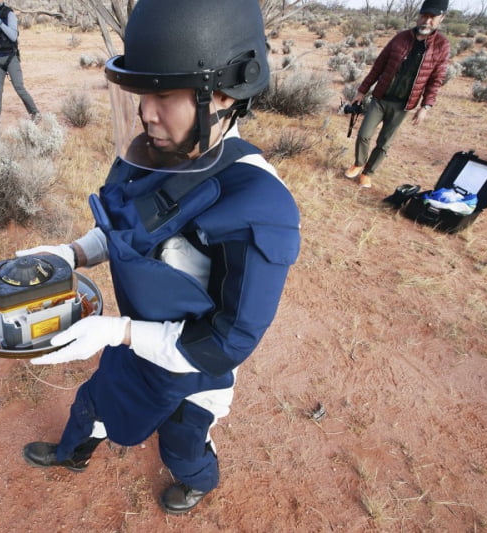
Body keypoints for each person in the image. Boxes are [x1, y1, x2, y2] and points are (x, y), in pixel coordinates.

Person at [15, 0, 300, 515]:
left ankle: (198, 480)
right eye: (141, 93)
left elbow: (225, 342)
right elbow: (124, 229)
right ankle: (72, 452)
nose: (147, 112)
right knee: (95, 401)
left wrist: (118, 331)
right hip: (135, 338)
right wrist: (73, 252)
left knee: (182, 441)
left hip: (192, 368)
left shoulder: (259, 205)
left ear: (222, 94)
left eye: (164, 94)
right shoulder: (154, 150)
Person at [344, 0, 450, 189]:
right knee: (363, 134)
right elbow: (378, 66)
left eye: (433, 17)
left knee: (384, 142)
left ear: (441, 18)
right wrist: (362, 91)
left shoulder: (441, 45)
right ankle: (359, 163)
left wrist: (425, 107)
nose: (427, 21)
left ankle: (368, 173)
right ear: (418, 16)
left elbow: (436, 80)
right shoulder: (401, 38)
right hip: (380, 98)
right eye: (424, 16)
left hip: (403, 104)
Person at [0, 0, 40, 120]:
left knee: (19, 88)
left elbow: (13, 36)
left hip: (11, 57)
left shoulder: (8, 13)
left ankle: (35, 113)